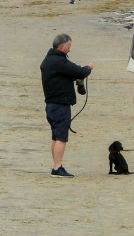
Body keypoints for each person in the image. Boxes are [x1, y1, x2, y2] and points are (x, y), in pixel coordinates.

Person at [40, 33, 93, 177]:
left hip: (51, 105)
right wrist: (89, 67)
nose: (70, 49)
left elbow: (69, 73)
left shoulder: (48, 60)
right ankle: (57, 168)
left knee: (56, 137)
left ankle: (56, 166)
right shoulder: (59, 61)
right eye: (69, 46)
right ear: (63, 46)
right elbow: (80, 72)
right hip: (59, 105)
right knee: (61, 138)